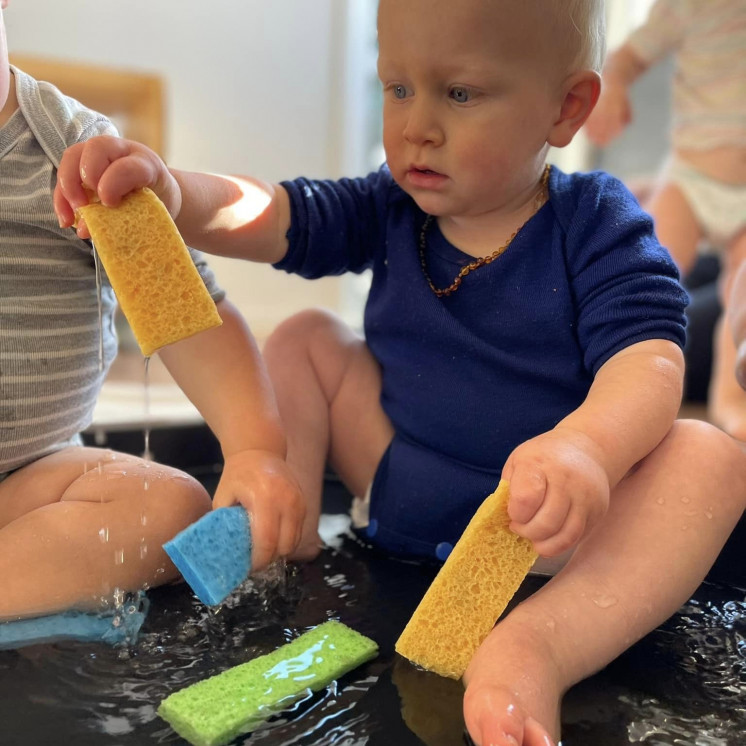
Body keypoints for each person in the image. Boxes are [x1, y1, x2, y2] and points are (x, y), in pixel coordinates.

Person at [54, 0, 746, 744]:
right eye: (397, 88)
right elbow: (279, 214)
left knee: (709, 459)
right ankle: (281, 545)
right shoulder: (393, 201)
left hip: (547, 530)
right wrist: (177, 195)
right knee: (309, 338)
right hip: (399, 487)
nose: (417, 125)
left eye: (459, 93)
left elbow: (650, 359)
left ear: (567, 108)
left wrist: (588, 450)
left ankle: (540, 646)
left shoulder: (597, 220)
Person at [0, 0, 303, 621]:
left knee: (165, 505)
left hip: (31, 480)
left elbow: (186, 317)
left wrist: (252, 448)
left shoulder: (73, 152)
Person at [584, 0, 746, 438]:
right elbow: (628, 57)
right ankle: (609, 386)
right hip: (689, 178)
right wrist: (612, 84)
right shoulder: (687, 7)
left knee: (741, 295)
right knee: (652, 277)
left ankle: (731, 401)